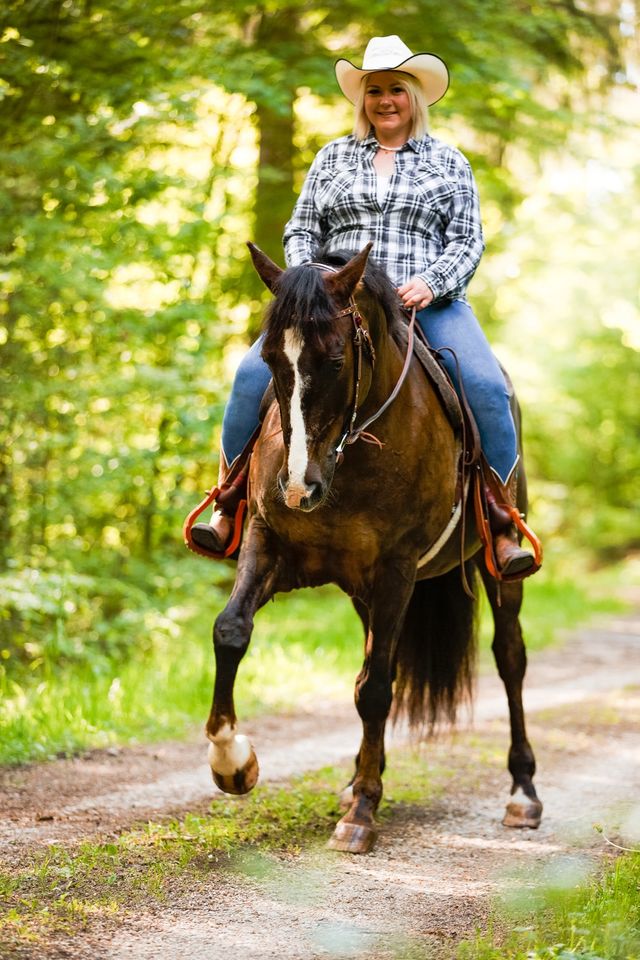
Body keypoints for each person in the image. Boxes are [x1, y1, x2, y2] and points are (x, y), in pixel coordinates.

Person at [191, 35, 538, 579]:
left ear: (414, 97)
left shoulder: (449, 161)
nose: (385, 100)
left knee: (489, 387)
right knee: (246, 377)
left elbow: (468, 239)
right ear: (363, 100)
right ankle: (230, 503)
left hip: (423, 302)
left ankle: (500, 521)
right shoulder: (332, 157)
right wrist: (311, 286)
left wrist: (432, 281)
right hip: (333, 307)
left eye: (396, 89)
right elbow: (301, 227)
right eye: (374, 90)